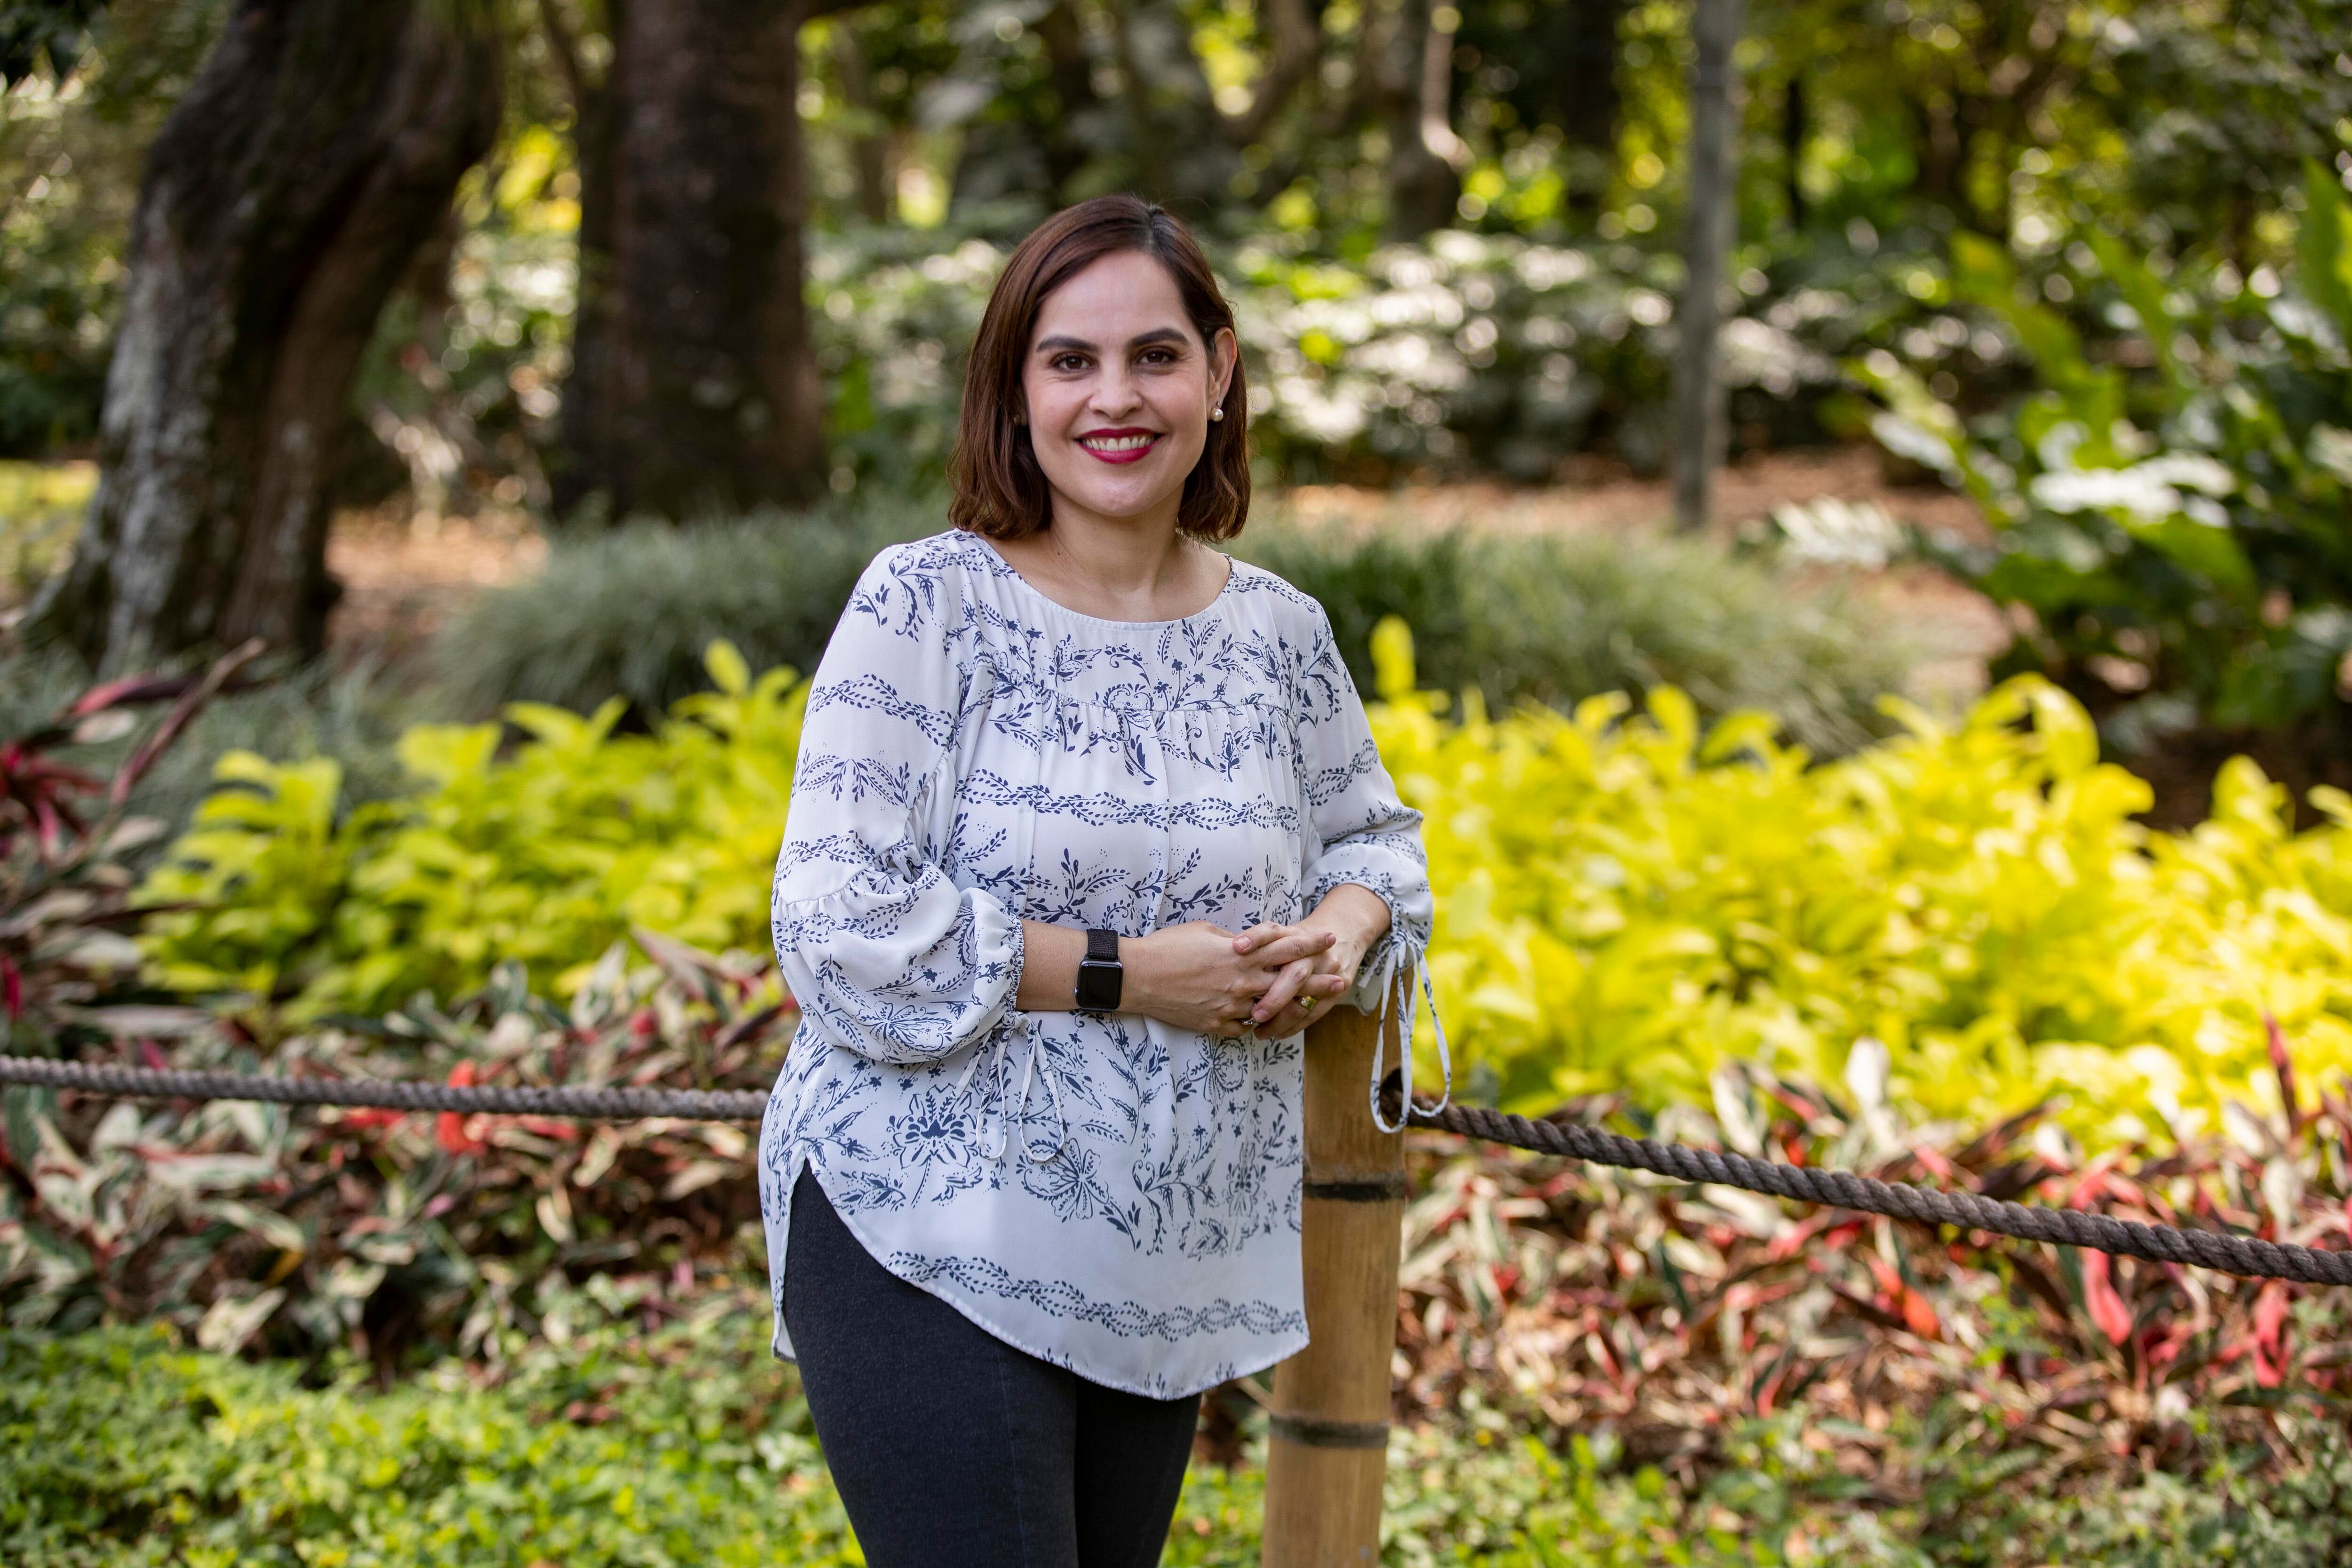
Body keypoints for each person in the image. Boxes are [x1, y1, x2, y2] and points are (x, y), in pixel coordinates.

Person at [756, 194, 1437, 1568]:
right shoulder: (926, 604)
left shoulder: (1279, 635)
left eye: (1154, 356)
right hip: (930, 1228)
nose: (1114, 398)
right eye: (1070, 360)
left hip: (1164, 1267)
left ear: (1219, 372)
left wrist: (1341, 927)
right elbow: (838, 926)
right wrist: (1135, 977)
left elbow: (1379, 842)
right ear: (1016, 391)